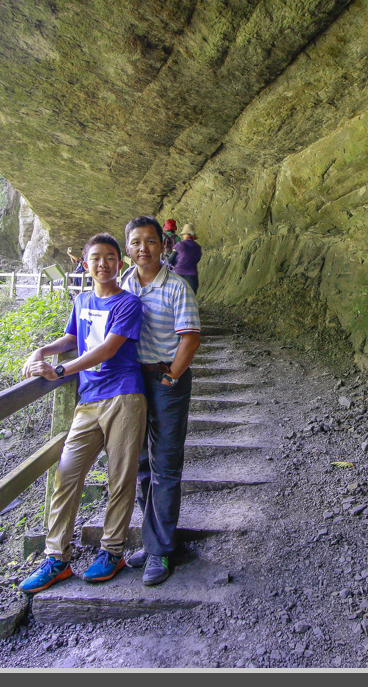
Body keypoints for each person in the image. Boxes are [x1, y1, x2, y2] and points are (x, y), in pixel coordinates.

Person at [17, 233, 147, 593]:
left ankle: (113, 550)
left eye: (110, 257)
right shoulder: (82, 300)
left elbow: (108, 349)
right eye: (96, 258)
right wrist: (39, 351)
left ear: (119, 264)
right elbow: (72, 338)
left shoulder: (128, 303)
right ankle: (57, 558)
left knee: (120, 479)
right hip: (88, 401)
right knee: (66, 475)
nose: (103, 264)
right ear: (85, 264)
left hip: (124, 395)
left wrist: (60, 371)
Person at [119, 216, 201, 586]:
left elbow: (190, 339)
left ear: (163, 245)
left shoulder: (177, 287)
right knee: (139, 463)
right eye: (136, 242)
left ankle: (161, 551)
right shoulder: (125, 283)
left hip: (166, 378)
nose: (143, 249)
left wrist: (171, 375)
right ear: (128, 249)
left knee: (165, 464)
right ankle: (154, 540)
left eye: (150, 241)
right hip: (132, 380)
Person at [171, 222, 202, 294]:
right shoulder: (198, 247)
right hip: (192, 277)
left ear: (185, 234)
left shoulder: (179, 245)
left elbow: (171, 260)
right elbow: (197, 259)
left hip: (178, 276)